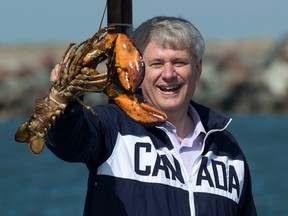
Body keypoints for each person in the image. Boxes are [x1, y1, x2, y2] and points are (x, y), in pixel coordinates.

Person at [47, 16, 257, 216]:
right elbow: (68, 141)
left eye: (179, 62)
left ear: (198, 69)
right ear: (137, 69)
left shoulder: (227, 149)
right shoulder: (113, 126)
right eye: (156, 63)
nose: (168, 74)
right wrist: (67, 103)